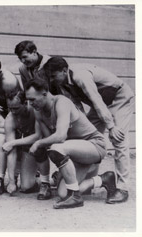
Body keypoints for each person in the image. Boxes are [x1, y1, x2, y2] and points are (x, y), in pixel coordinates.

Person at [43, 56, 135, 203]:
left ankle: (122, 188)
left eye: (54, 76)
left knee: (119, 139)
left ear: (64, 70)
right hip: (102, 104)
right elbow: (77, 107)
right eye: (50, 77)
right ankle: (90, 178)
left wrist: (111, 126)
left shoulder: (80, 76)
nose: (52, 80)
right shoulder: (64, 82)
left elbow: (96, 100)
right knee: (89, 139)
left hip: (120, 98)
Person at [25, 77, 116, 209]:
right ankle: (104, 179)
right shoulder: (38, 111)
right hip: (75, 153)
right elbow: (49, 139)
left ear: (44, 93)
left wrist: (38, 143)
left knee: (56, 147)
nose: (30, 103)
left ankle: (76, 197)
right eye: (28, 99)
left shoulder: (62, 102)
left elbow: (60, 136)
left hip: (94, 145)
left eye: (33, 99)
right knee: (63, 193)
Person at [2, 90, 51, 199]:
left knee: (38, 145)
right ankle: (40, 179)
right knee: (26, 187)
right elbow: (11, 150)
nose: (13, 111)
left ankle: (46, 183)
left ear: (25, 103)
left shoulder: (35, 111)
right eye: (10, 108)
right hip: (29, 148)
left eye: (16, 108)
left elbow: (37, 136)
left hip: (47, 143)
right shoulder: (10, 119)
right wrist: (11, 182)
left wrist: (13, 142)